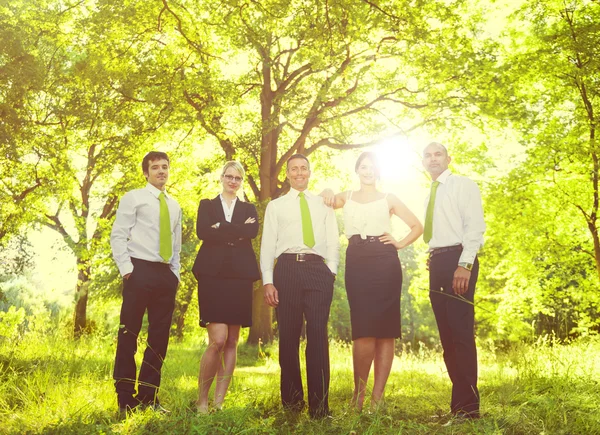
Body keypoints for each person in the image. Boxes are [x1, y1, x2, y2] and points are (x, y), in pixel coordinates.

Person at [321, 151, 423, 411]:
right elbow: (328, 199)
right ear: (357, 170)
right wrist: (328, 188)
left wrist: (398, 244)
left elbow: (417, 226)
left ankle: (378, 398)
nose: (368, 171)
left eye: (372, 167)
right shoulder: (349, 196)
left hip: (385, 262)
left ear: (378, 172)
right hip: (357, 260)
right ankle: (359, 395)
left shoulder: (389, 198)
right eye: (364, 167)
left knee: (386, 332)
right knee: (363, 330)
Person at [260, 154, 340, 419]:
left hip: (318, 271)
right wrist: (268, 280)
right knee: (289, 338)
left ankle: (320, 407)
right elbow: (268, 244)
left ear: (309, 172)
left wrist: (331, 271)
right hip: (287, 270)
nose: (299, 173)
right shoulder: (276, 206)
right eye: (294, 169)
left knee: (317, 337)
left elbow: (333, 239)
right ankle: (292, 403)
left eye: (303, 168)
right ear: (287, 174)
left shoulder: (323, 203)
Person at [110, 151, 182, 414]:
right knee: (129, 334)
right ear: (146, 172)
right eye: (155, 167)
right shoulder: (134, 198)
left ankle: (149, 398)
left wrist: (175, 272)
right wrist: (127, 270)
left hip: (165, 275)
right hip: (138, 270)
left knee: (159, 338)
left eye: (165, 167)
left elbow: (176, 242)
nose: (161, 171)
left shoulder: (174, 205)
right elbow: (118, 234)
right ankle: (125, 397)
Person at [421, 142, 485, 424]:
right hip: (438, 263)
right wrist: (432, 257)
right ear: (423, 161)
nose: (433, 159)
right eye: (428, 155)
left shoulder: (462, 185)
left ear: (449, 158)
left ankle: (469, 409)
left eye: (438, 154)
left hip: (459, 261)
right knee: (447, 338)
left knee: (461, 335)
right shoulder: (429, 192)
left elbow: (475, 227)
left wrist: (465, 264)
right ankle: (458, 406)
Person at [191, 161, 261, 413]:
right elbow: (203, 232)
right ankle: (202, 400)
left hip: (240, 277)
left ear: (241, 181)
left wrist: (221, 228)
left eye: (238, 178)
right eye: (229, 176)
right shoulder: (207, 205)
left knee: (232, 340)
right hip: (213, 276)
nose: (233, 181)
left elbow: (251, 232)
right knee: (217, 340)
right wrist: (237, 232)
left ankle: (219, 402)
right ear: (221, 177)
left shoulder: (249, 207)